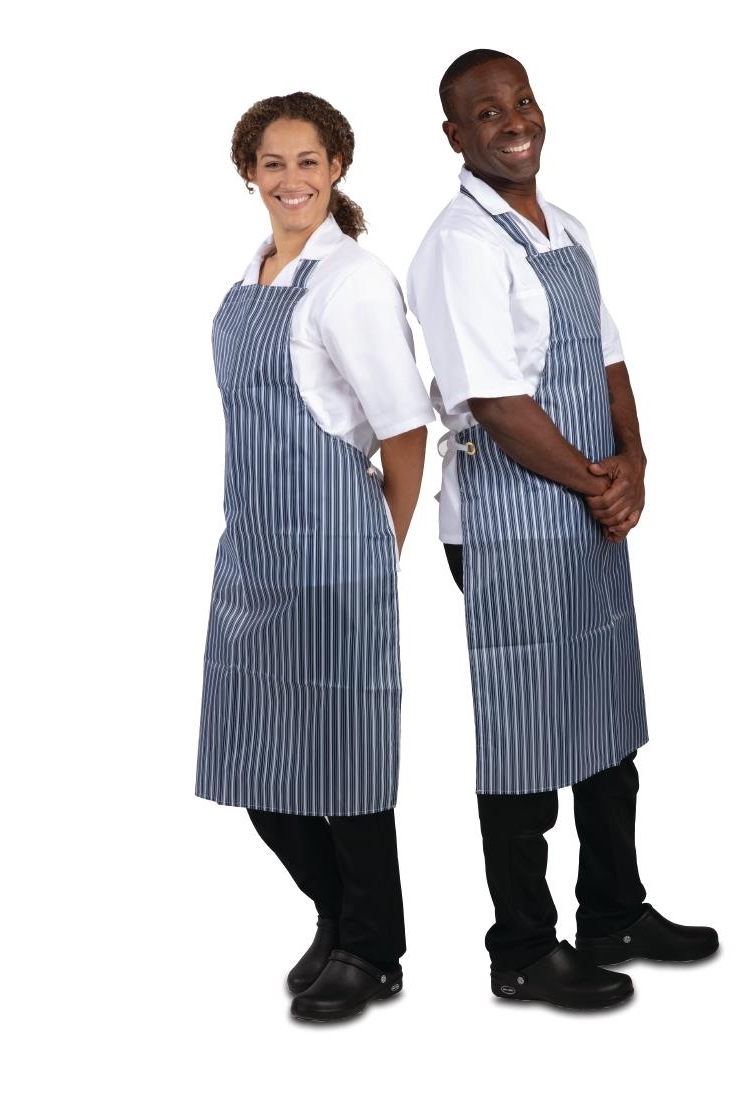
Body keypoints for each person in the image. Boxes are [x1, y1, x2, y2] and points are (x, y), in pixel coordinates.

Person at [407, 50, 719, 1010]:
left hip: (587, 506)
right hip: (510, 523)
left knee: (607, 722)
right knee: (528, 734)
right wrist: (599, 484)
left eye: (523, 101)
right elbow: (496, 404)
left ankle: (614, 911)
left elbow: (609, 359)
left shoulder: (566, 227)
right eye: (486, 111)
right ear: (454, 135)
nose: (514, 121)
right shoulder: (459, 246)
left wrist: (636, 463)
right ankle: (522, 950)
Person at [196, 91, 433, 1024]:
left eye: (308, 161)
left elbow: (404, 431)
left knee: (344, 764)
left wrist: (380, 549)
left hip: (336, 553)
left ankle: (372, 951)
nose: (291, 179)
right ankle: (338, 915)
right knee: (260, 764)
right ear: (248, 174)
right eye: (273, 163)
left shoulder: (354, 281)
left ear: (337, 167)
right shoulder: (251, 275)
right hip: (252, 553)